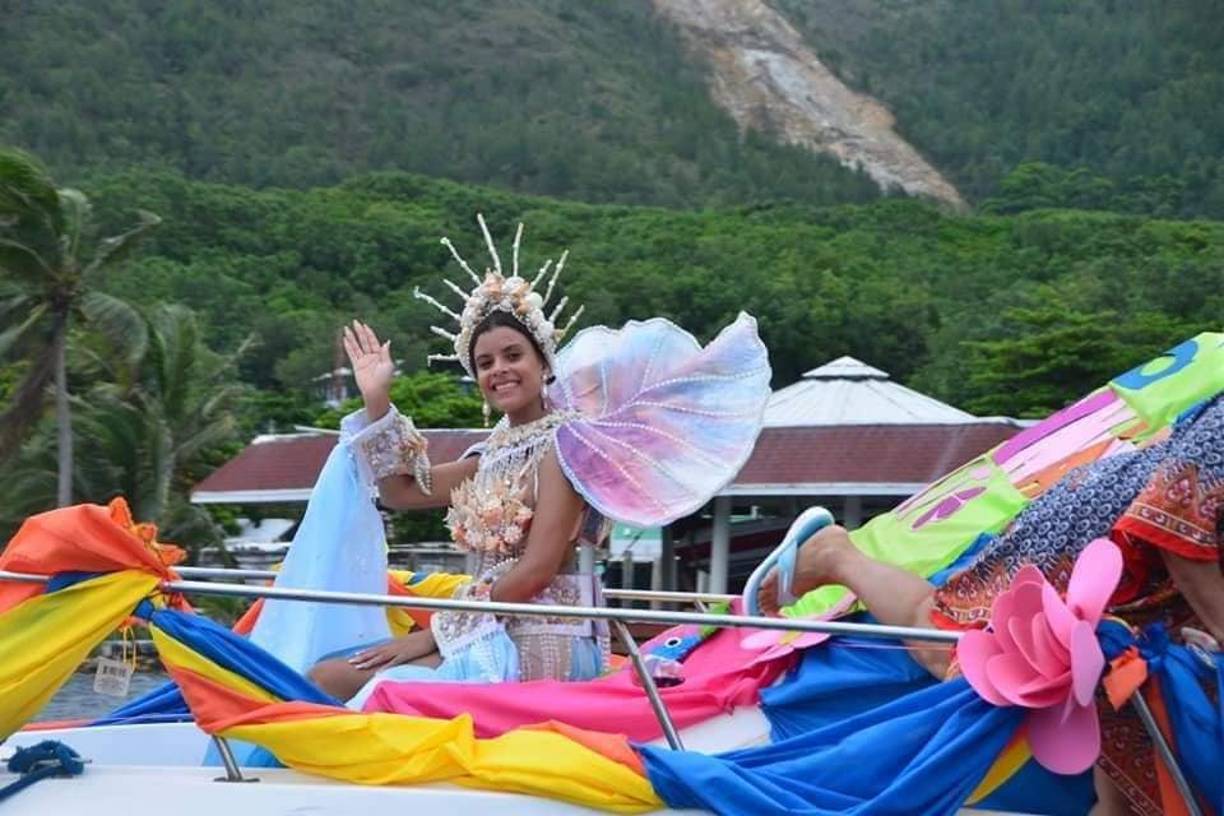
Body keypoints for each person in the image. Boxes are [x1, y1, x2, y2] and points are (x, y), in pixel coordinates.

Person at [309, 215, 772, 705]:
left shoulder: (565, 446)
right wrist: (377, 400)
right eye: (485, 363)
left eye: (513, 355)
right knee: (325, 674)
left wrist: (434, 633)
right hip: (486, 628)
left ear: (544, 364)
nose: (500, 370)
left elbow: (537, 570)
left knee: (345, 682)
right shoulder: (490, 454)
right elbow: (400, 492)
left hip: (541, 634)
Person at [757, 394, 1224, 815]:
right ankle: (835, 555)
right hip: (1089, 539)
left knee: (1132, 735)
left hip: (1149, 594)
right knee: (953, 646)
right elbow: (1175, 529)